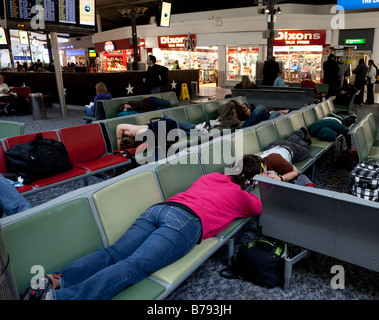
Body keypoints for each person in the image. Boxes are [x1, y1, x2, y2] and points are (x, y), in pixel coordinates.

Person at [22, 155, 263, 300]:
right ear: (252, 180)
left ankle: (55, 280)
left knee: (114, 253)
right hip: (185, 223)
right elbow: (261, 206)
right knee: (134, 265)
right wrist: (270, 179)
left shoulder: (210, 177)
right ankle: (61, 298)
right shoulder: (243, 197)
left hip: (160, 209)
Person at [116, 116, 209, 151]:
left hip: (172, 137)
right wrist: (119, 142)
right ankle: (196, 127)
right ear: (129, 135)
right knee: (169, 119)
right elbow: (119, 127)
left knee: (180, 132)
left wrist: (121, 149)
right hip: (169, 125)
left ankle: (199, 131)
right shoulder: (137, 130)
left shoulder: (142, 145)